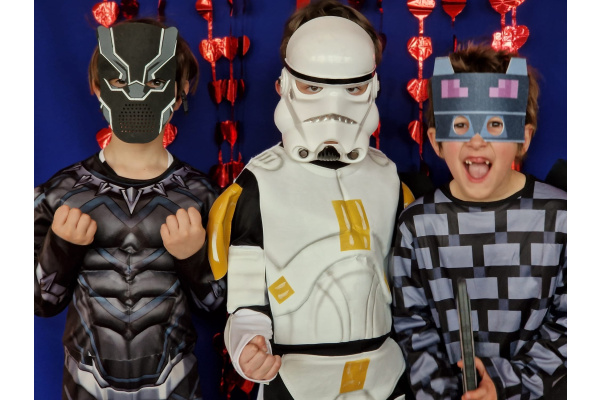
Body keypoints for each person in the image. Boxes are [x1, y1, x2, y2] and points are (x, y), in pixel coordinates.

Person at [206, 1, 415, 399]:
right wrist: (247, 345)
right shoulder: (258, 185)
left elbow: (407, 289)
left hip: (385, 374)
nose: (333, 107)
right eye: (313, 87)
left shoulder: (389, 180)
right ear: (284, 84)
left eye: (352, 88)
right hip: (295, 378)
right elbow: (246, 301)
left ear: (372, 86)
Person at [34, 18, 225, 399]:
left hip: (175, 384)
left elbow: (222, 308)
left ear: (180, 91)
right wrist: (61, 248)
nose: (136, 95)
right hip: (85, 385)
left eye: (154, 82)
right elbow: (40, 303)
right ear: (98, 86)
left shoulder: (203, 196)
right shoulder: (59, 194)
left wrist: (194, 258)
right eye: (120, 81)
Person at [391, 43, 567, 400]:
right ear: (436, 141)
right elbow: (413, 328)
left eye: (495, 124)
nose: (476, 140)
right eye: (459, 125)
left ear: (522, 138)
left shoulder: (564, 220)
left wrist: (505, 384)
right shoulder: (417, 226)